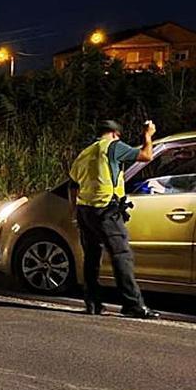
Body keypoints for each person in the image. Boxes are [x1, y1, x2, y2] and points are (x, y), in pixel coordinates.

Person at [69, 119, 157, 319]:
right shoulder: (114, 147)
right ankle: (133, 305)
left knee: (91, 258)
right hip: (106, 211)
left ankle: (92, 303)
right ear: (116, 134)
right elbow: (147, 155)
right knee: (121, 256)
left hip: (85, 212)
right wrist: (148, 135)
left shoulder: (85, 153)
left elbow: (72, 185)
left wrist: (74, 212)